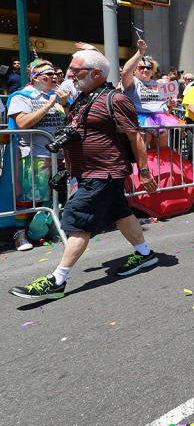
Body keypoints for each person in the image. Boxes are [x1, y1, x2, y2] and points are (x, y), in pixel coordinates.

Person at [9, 49, 159, 300]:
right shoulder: (83, 98)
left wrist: (144, 172)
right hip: (88, 171)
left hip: (105, 172)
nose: (67, 74)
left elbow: (135, 137)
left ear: (97, 73)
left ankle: (58, 280)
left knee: (77, 219)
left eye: (75, 70)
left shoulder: (116, 99)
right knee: (120, 213)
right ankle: (145, 254)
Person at [5, 59, 74, 251]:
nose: (54, 77)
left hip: (58, 155)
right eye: (48, 75)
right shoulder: (21, 96)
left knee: (53, 196)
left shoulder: (57, 96)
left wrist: (65, 105)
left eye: (55, 74)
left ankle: (50, 230)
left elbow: (65, 122)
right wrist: (49, 103)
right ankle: (19, 234)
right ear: (35, 78)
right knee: (28, 196)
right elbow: (23, 123)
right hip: (34, 155)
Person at [120, 40, 180, 149]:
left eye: (149, 68)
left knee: (161, 153)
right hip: (140, 121)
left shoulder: (158, 85)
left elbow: (165, 107)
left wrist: (171, 105)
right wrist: (140, 52)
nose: (145, 70)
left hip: (160, 120)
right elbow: (125, 72)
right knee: (141, 154)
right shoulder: (132, 81)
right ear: (135, 70)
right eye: (141, 67)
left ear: (153, 72)